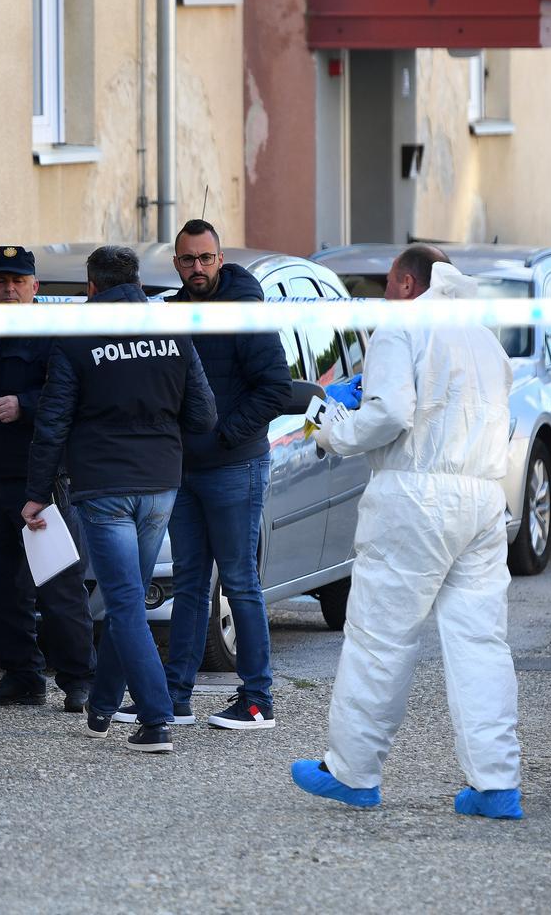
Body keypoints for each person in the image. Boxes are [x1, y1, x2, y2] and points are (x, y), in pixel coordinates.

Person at [291, 246, 523, 819]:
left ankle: (352, 772)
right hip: (483, 498)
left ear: (403, 281)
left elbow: (390, 414)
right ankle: (496, 785)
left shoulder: (402, 327)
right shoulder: (484, 340)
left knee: (379, 639)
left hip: (415, 497)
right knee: (480, 644)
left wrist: (330, 425)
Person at [22, 245, 217, 754]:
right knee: (124, 598)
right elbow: (203, 417)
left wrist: (35, 493)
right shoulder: (173, 328)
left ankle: (156, 720)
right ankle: (104, 705)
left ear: (92, 286)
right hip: (159, 486)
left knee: (125, 602)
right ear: (135, 279)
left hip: (104, 487)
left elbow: (53, 422)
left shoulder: (77, 336)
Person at [114, 220, 290, 731]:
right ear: (176, 263)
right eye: (188, 260)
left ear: (219, 258)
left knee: (239, 582)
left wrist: (221, 435)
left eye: (206, 258)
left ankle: (257, 701)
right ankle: (175, 697)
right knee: (190, 583)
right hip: (184, 471)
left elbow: (275, 389)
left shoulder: (246, 311)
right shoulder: (171, 314)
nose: (197, 268)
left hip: (236, 465)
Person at [0, 246, 96, 711]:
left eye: (18, 281)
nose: (9, 289)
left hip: (39, 482)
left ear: (35, 287)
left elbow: (71, 396)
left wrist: (24, 404)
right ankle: (22, 675)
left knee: (58, 585)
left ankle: (78, 679)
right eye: (1, 281)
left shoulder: (53, 336)